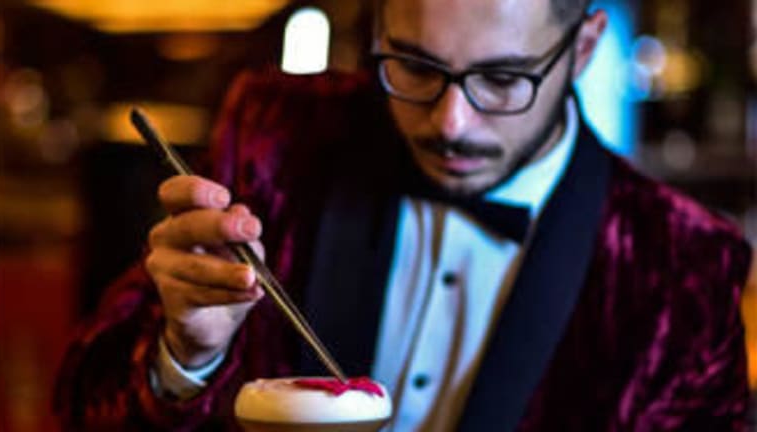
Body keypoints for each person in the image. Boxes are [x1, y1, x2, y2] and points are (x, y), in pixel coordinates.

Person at [55, 0, 757, 430]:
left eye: (502, 79)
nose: (451, 123)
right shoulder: (275, 135)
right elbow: (80, 403)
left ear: (583, 48)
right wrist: (185, 358)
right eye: (416, 67)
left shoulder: (685, 266)